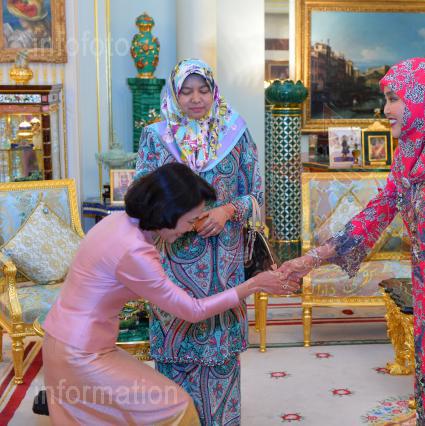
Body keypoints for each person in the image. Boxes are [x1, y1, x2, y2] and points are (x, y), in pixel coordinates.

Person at [280, 58, 425, 425]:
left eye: (393, 99)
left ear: (423, 98)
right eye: (385, 99)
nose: (385, 110)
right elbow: (378, 211)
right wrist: (312, 259)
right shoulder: (412, 151)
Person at [42, 163, 297, 425]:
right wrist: (253, 285)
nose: (191, 228)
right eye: (190, 221)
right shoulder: (134, 251)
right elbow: (193, 311)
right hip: (80, 355)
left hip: (67, 342)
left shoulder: (117, 222)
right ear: (167, 212)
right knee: (176, 408)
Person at [135, 58, 262, 425]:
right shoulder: (156, 137)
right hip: (172, 263)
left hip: (224, 263)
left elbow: (256, 196)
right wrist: (181, 218)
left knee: (221, 361)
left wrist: (227, 212)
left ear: (214, 92)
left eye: (203, 90)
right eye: (186, 91)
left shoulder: (235, 133)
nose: (195, 99)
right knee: (173, 358)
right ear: (174, 94)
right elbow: (142, 199)